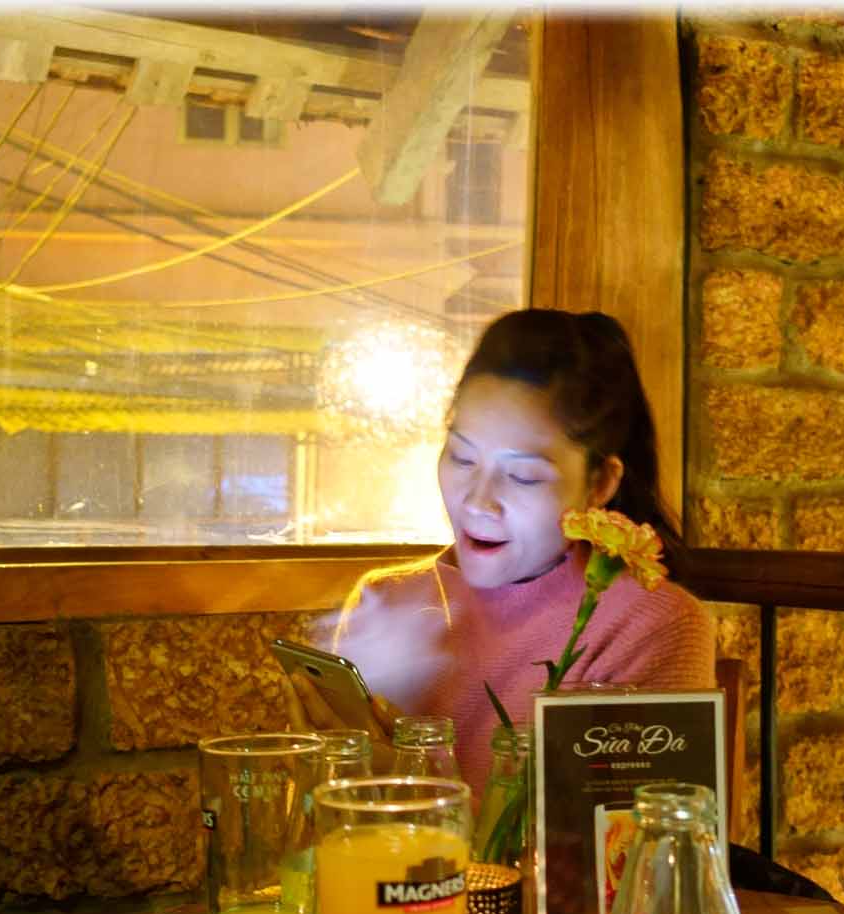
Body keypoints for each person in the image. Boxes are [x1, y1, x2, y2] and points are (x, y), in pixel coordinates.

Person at [288, 309, 715, 798]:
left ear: (599, 484)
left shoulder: (651, 628)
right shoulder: (389, 598)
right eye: (462, 457)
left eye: (523, 476)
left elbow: (624, 857)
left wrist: (410, 791)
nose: (478, 500)